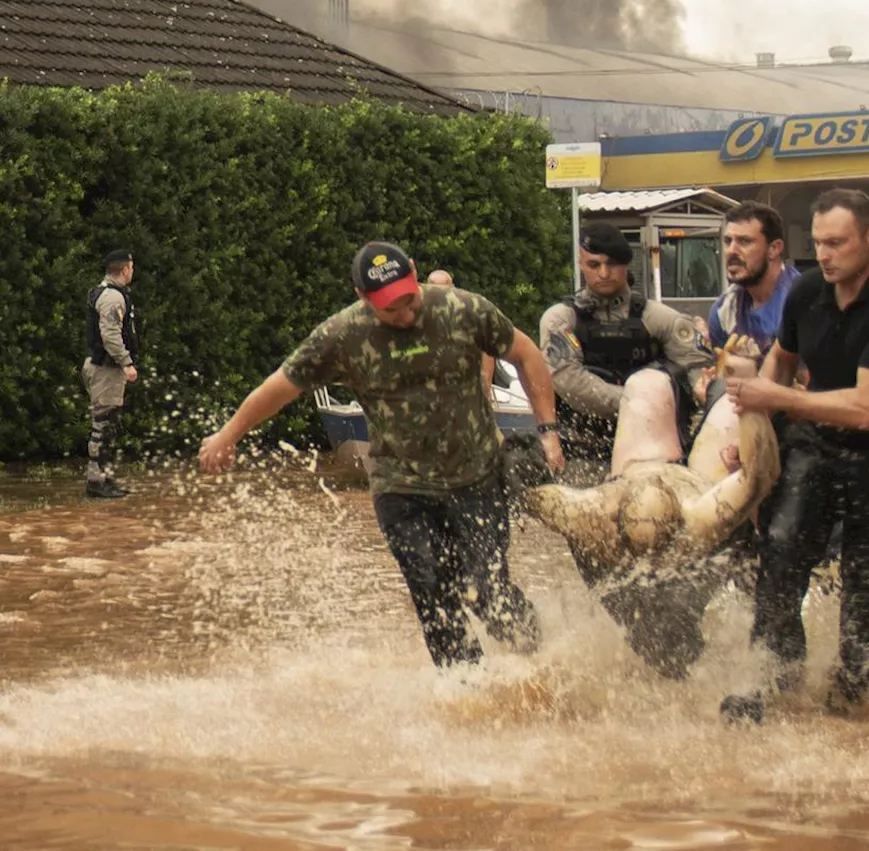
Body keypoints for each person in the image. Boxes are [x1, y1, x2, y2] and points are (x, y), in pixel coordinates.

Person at [199, 242, 565, 668]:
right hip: (401, 488)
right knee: (435, 596)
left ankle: (545, 658)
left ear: (413, 271)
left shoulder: (463, 309)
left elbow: (526, 355)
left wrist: (548, 434)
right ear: (361, 297)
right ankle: (469, 692)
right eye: (391, 310)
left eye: (409, 300)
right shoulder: (343, 334)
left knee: (487, 592)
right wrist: (228, 435)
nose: (406, 314)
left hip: (476, 477)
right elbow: (281, 386)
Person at [721, 188, 869, 723]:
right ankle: (771, 681)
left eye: (836, 243)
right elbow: (780, 364)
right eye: (817, 243)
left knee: (864, 592)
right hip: (814, 449)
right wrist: (753, 429)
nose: (824, 255)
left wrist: (780, 400)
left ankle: (851, 709)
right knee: (779, 560)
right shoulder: (807, 292)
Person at [524, 339, 779, 679]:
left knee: (653, 386)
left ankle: (711, 387)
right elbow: (760, 476)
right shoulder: (602, 517)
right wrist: (744, 386)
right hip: (660, 478)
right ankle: (710, 387)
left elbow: (759, 475)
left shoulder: (600, 517)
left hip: (660, 479)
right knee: (654, 386)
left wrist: (746, 391)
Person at [538, 222, 714, 460]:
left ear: (625, 264)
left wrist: (700, 391)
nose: (603, 273)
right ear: (581, 264)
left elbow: (697, 368)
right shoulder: (561, 319)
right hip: (583, 451)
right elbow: (569, 382)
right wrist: (641, 403)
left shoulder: (657, 318)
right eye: (594, 264)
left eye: (611, 264)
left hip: (652, 447)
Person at [706, 201, 801, 359]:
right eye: (728, 241)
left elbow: (812, 379)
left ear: (773, 249)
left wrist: (757, 367)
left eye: (744, 241)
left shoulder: (803, 301)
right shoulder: (724, 310)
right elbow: (722, 377)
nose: (732, 251)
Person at [82, 249, 140, 499]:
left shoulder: (107, 293)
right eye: (132, 267)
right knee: (102, 426)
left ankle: (101, 476)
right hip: (106, 369)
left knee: (107, 425)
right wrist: (126, 362)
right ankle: (96, 481)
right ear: (125, 269)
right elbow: (110, 336)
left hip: (105, 368)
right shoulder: (112, 298)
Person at [427, 268, 495, 397]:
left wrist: (486, 382)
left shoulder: (469, 313)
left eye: (447, 290)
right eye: (438, 290)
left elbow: (487, 348)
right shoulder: (420, 316)